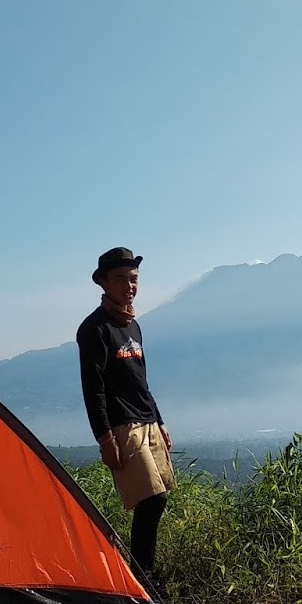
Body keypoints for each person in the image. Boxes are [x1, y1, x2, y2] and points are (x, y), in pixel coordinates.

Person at [76, 246, 175, 581]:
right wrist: (104, 438)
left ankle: (144, 573)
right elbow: (94, 387)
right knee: (152, 500)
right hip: (122, 425)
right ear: (102, 282)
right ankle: (142, 576)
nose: (129, 286)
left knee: (159, 498)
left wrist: (159, 421)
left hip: (147, 420)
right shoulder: (95, 329)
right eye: (120, 279)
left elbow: (141, 379)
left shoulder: (132, 326)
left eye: (133, 279)